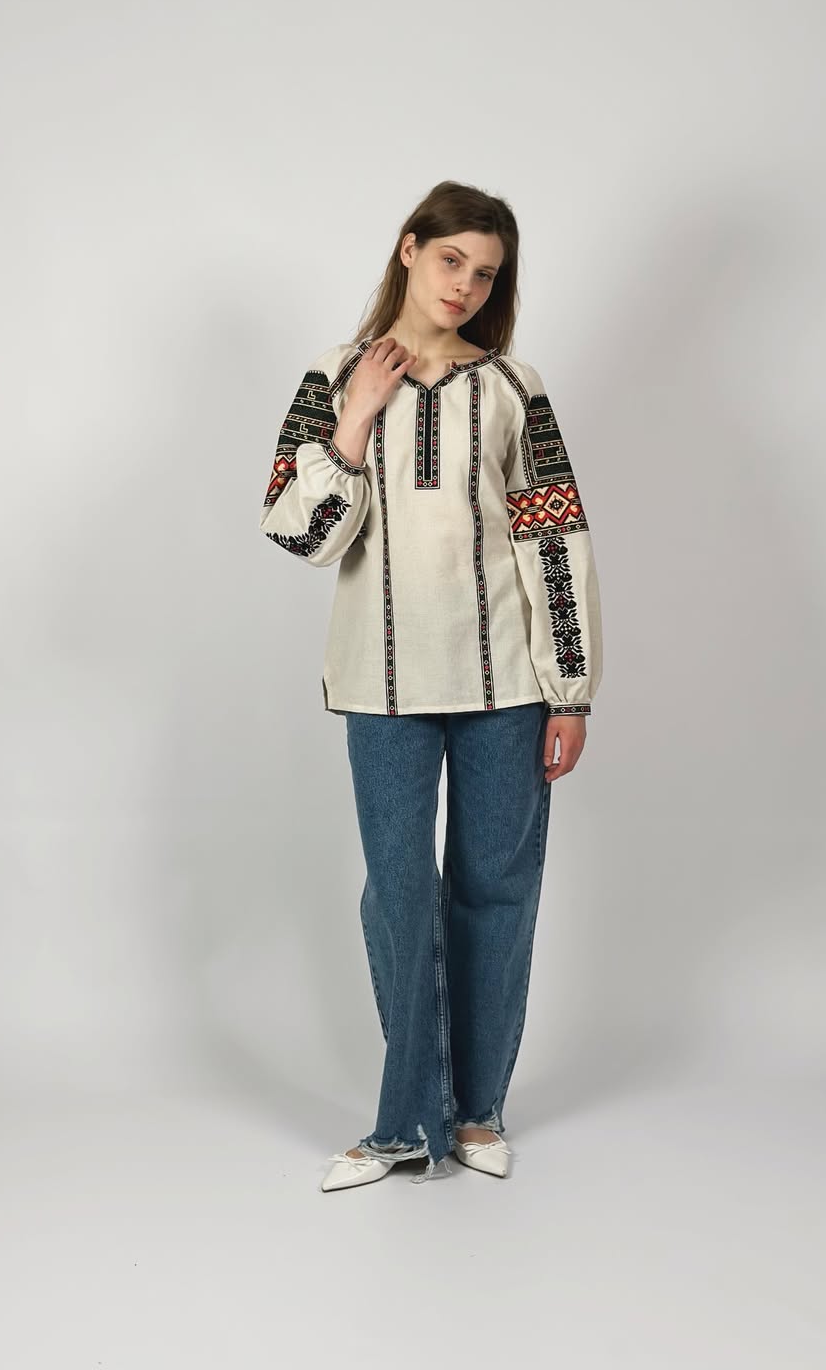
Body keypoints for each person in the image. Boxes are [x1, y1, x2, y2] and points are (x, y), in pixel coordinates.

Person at [257, 179, 604, 1191]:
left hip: (508, 685)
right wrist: (356, 422)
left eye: (485, 273)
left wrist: (571, 689)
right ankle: (407, 1121)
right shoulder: (334, 376)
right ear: (410, 249)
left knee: (496, 889)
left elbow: (555, 539)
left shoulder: (514, 388)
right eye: (452, 259)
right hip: (381, 686)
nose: (465, 285)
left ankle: (478, 1108)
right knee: (401, 895)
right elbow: (298, 533)